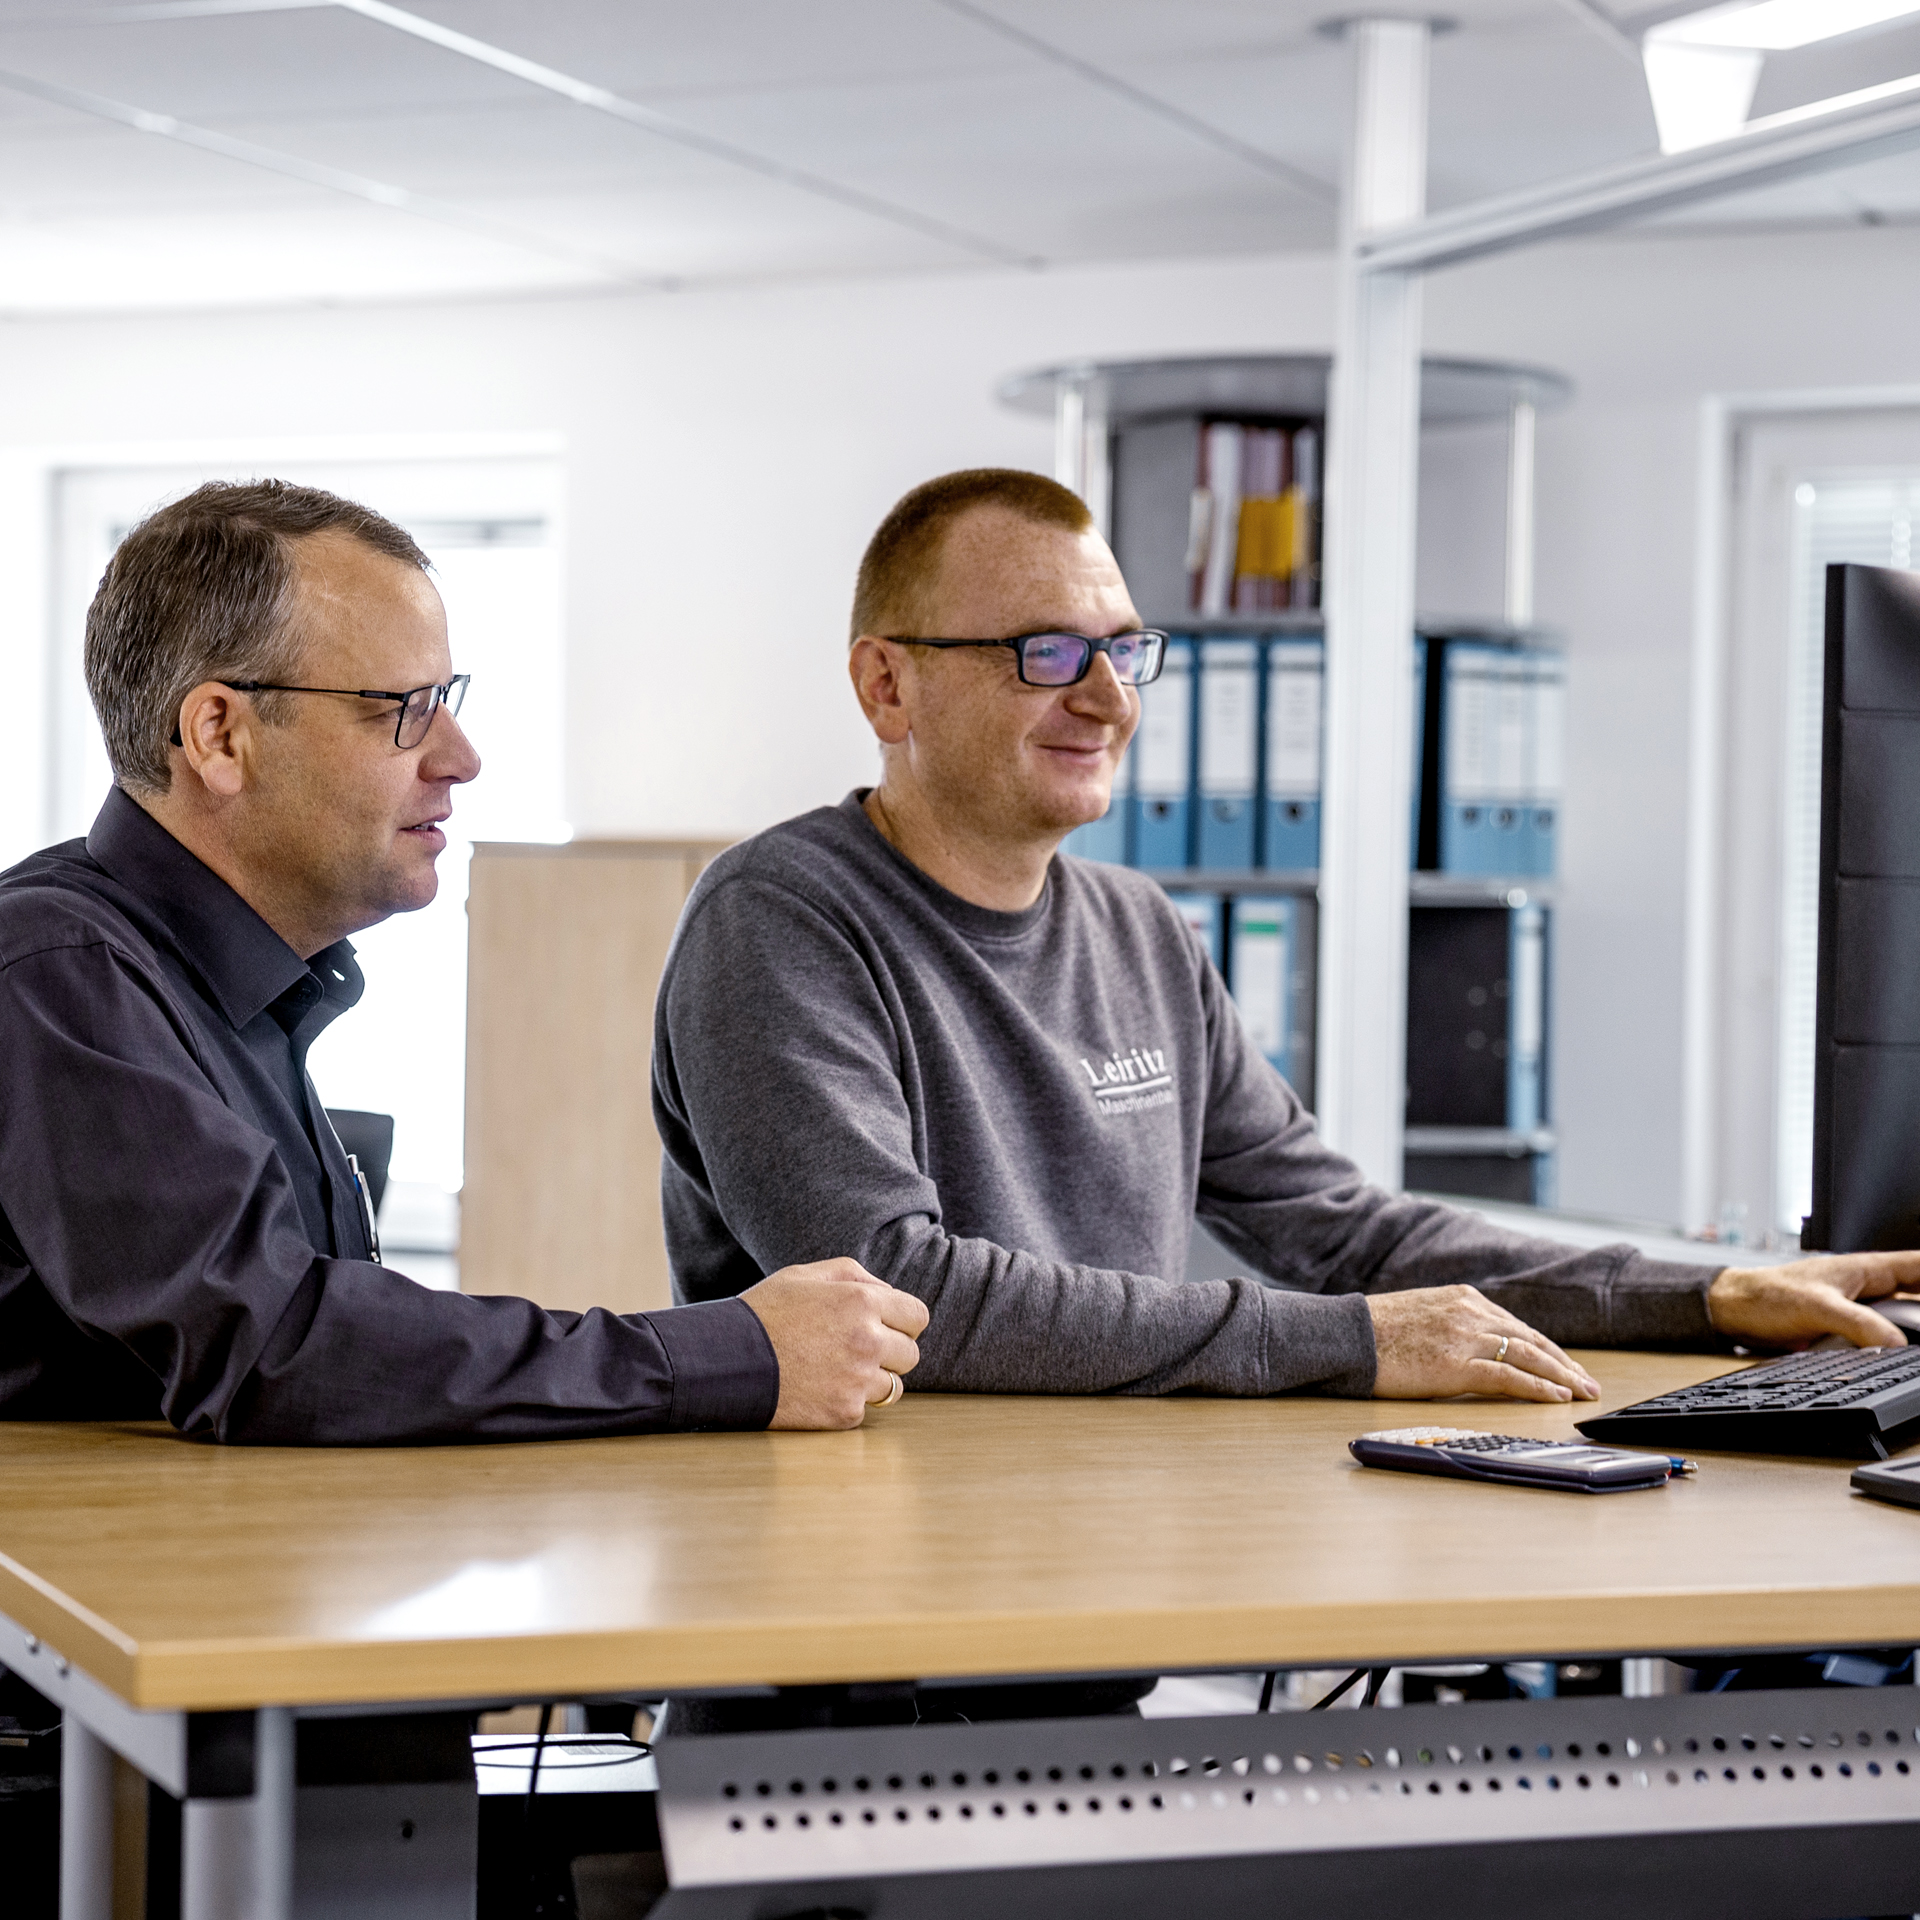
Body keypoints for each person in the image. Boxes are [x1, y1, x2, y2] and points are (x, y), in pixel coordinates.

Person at [653, 467, 1920, 1411]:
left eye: (1123, 650)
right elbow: (896, 1291)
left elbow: (1351, 1237)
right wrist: (1353, 1344)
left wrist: (1700, 1295)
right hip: (856, 1653)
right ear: (888, 684)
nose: (1107, 697)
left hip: (1095, 1592)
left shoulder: (1139, 930)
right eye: (1046, 654)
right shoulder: (781, 919)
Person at [0, 480, 925, 1444]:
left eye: (446, 699)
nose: (461, 755)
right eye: (400, 708)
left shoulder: (233, 988)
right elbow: (280, 1350)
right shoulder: (56, 971)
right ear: (221, 735)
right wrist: (730, 1354)